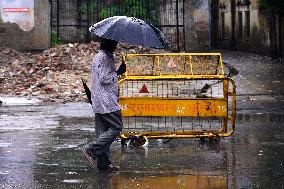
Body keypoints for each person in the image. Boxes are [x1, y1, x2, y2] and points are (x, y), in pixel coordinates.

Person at [83, 38, 126, 171]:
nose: (116, 46)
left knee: (102, 133)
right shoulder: (104, 58)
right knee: (116, 127)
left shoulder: (99, 56)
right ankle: (91, 149)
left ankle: (103, 165)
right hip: (106, 102)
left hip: (99, 100)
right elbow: (104, 78)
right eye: (115, 44)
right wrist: (118, 73)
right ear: (111, 45)